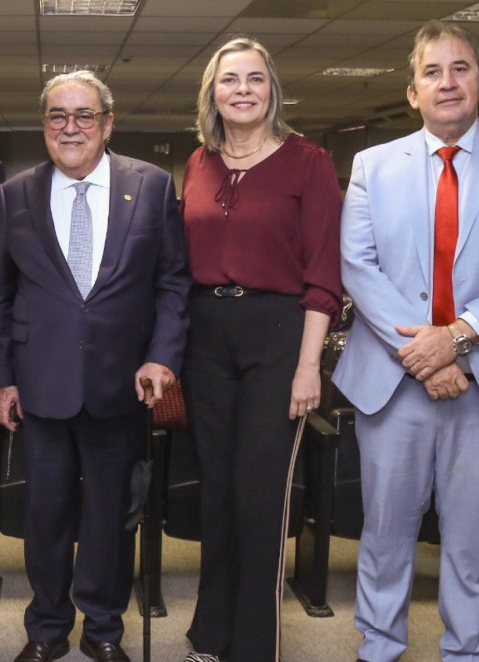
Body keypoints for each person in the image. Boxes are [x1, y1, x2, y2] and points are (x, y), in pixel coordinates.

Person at [333, 20, 479, 662]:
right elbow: (358, 267)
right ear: (412, 92)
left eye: (460, 69)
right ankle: (379, 647)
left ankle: (469, 651)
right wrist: (424, 355)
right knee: (385, 531)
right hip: (394, 377)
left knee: (472, 536)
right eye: (432, 72)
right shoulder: (372, 165)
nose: (447, 82)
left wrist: (459, 337)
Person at [0, 70, 189, 662]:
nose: (70, 127)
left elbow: (172, 282)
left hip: (120, 382)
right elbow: (2, 294)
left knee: (110, 516)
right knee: (45, 516)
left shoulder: (151, 185)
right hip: (41, 383)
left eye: (84, 115)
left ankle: (103, 628)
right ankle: (47, 629)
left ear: (107, 123)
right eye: (57, 115)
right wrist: (3, 377)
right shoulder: (16, 193)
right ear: (44, 125)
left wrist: (162, 356)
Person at [179, 36, 342, 662]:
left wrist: (308, 366)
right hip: (207, 338)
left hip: (280, 338)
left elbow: (325, 269)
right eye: (229, 80)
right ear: (212, 93)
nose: (242, 89)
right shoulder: (198, 163)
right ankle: (209, 636)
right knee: (215, 493)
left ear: (271, 88)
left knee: (261, 496)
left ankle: (255, 646)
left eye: (254, 78)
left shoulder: (308, 161)